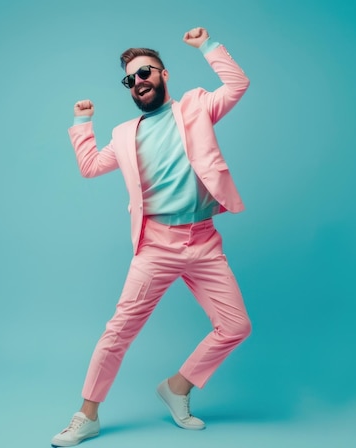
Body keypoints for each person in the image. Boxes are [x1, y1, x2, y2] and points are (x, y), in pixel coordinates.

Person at [51, 27, 251, 447]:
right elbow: (89, 166)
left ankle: (177, 387)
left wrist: (207, 46)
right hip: (156, 245)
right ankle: (86, 416)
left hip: (203, 240)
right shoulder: (125, 134)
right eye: (130, 79)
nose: (138, 80)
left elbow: (237, 83)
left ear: (164, 74)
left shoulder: (197, 107)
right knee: (119, 331)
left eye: (145, 72)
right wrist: (83, 123)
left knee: (235, 326)